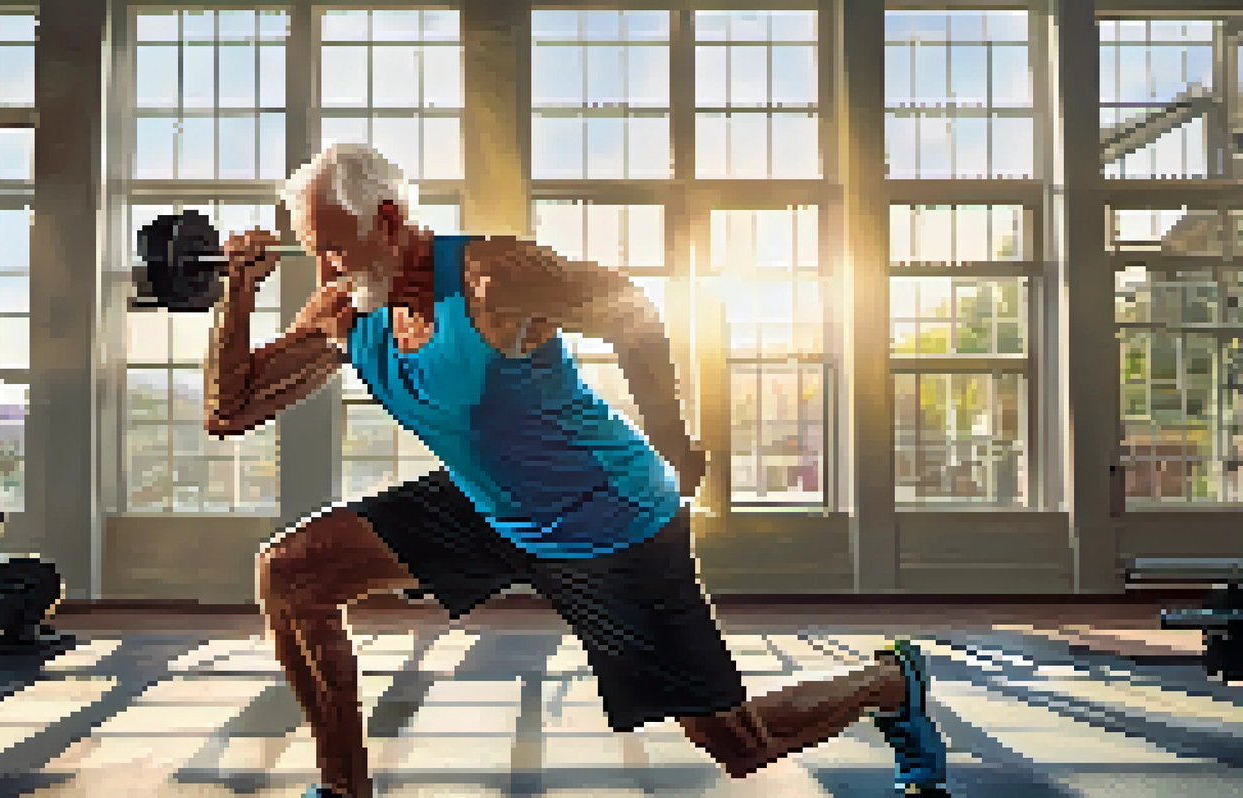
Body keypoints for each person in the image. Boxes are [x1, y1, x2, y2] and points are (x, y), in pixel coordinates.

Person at [206, 142, 950, 798]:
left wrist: (672, 440)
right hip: (488, 502)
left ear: (393, 221)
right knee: (291, 573)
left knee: (738, 744)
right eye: (315, 250)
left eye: (337, 248)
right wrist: (235, 295)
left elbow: (634, 310)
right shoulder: (346, 310)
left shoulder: (494, 279)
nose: (327, 270)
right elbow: (230, 411)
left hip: (610, 520)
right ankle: (343, 790)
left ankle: (890, 684)